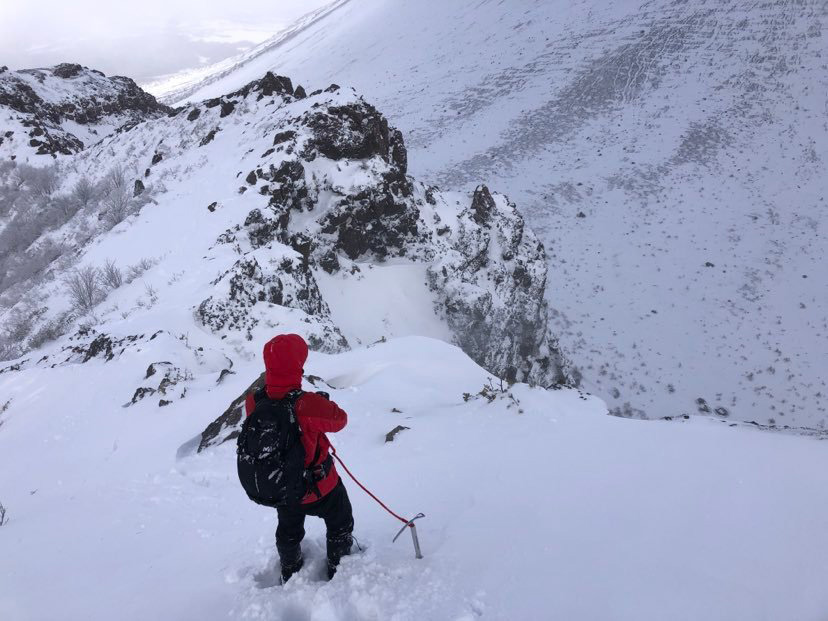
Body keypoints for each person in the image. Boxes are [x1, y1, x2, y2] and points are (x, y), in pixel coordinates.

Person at [244, 333, 354, 583]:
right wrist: (322, 403)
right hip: (320, 488)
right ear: (298, 365)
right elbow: (340, 420)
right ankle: (339, 567)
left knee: (288, 529)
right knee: (340, 519)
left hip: (283, 488)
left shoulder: (254, 401)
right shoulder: (307, 404)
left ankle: (289, 569)